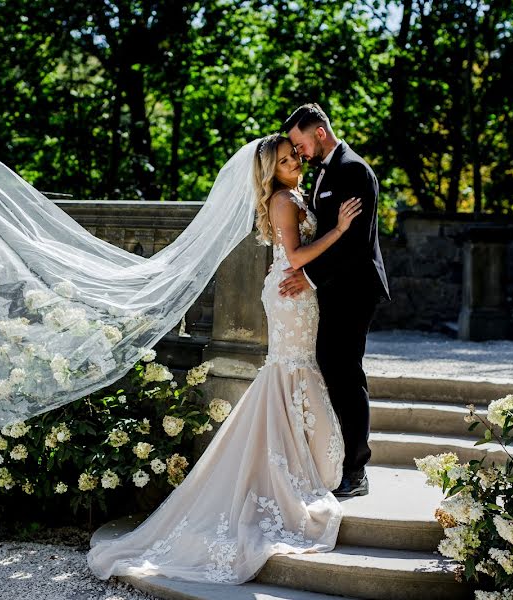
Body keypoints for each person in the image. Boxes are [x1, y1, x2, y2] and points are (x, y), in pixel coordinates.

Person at [86, 133, 362, 583]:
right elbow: (293, 257)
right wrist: (339, 230)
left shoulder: (294, 194)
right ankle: (281, 465)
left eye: (295, 156)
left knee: (296, 370)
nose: (296, 161)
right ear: (270, 169)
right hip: (291, 295)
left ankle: (296, 457)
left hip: (299, 295)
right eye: (287, 159)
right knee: (289, 370)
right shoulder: (281, 201)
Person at [279, 103, 391, 497]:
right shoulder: (324, 171)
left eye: (299, 142)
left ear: (319, 133)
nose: (298, 152)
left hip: (354, 289)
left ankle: (356, 471)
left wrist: (307, 277)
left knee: (344, 373)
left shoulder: (354, 170)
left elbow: (356, 244)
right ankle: (334, 457)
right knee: (330, 367)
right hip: (332, 289)